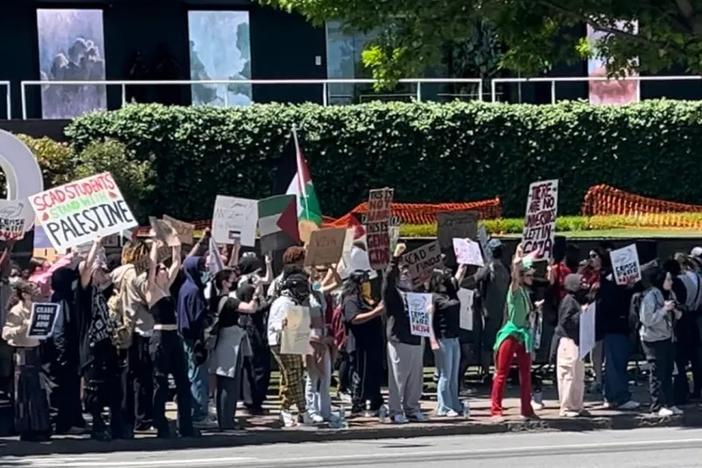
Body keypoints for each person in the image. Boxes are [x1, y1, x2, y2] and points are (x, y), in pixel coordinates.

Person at [77, 238, 130, 441]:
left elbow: (116, 275)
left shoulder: (106, 291)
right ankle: (97, 425)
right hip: (91, 347)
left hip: (108, 344)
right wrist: (96, 245)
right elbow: (86, 268)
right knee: (94, 390)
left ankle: (117, 424)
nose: (102, 270)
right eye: (99, 269)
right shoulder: (84, 293)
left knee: (114, 387)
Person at [146, 237, 198, 438]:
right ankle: (160, 424)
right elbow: (151, 268)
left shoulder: (167, 289)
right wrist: (154, 246)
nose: (165, 271)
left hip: (173, 337)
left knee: (183, 382)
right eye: (162, 270)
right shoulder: (152, 291)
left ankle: (185, 424)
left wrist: (176, 244)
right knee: (160, 382)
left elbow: (177, 263)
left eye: (164, 269)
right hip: (159, 337)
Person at [207, 268, 259, 431]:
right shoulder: (229, 301)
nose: (235, 282)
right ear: (224, 283)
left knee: (223, 383)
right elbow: (251, 308)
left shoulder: (215, 299)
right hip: (230, 343)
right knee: (229, 384)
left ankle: (225, 420)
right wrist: (256, 293)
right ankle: (227, 421)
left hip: (222, 342)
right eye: (232, 279)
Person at [109, 240, 152, 432]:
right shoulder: (139, 273)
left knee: (126, 374)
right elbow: (149, 299)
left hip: (123, 328)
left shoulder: (117, 273)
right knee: (143, 377)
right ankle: (142, 417)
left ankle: (125, 415)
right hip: (143, 326)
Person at [490, 245, 536, 419]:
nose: (532, 277)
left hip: (523, 334)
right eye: (529, 275)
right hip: (510, 334)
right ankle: (496, 409)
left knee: (526, 373)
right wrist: (517, 259)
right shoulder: (514, 290)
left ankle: (526, 408)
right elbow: (514, 276)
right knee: (502, 372)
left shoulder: (525, 293)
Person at [2, 281, 51, 441]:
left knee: (38, 391)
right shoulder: (17, 311)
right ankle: (26, 428)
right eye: (32, 291)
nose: (36, 292)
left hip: (35, 352)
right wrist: (23, 326)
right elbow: (6, 333)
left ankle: (41, 426)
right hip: (22, 353)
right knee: (24, 392)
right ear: (24, 294)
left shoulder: (36, 309)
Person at [383, 243, 426, 423]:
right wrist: (395, 258)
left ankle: (412, 407)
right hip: (399, 338)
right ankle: (395, 410)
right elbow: (387, 279)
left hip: (416, 337)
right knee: (398, 377)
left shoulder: (416, 292)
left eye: (409, 270)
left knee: (415, 378)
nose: (407, 273)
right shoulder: (393, 292)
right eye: (403, 270)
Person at [268, 268, 314, 427]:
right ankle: (301, 411)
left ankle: (289, 409)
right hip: (282, 340)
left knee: (293, 377)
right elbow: (278, 324)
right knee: (293, 376)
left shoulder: (292, 302)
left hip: (290, 339)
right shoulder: (284, 303)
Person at [596, 251, 640, 410]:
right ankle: (620, 397)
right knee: (617, 364)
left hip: (614, 327)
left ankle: (611, 395)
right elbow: (613, 303)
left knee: (613, 364)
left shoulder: (607, 281)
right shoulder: (611, 284)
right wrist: (626, 289)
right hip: (616, 327)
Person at [49, 262, 86, 434]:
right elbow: (60, 328)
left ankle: (73, 420)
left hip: (64, 352)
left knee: (69, 387)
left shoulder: (59, 297)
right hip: (65, 354)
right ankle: (66, 422)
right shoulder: (62, 300)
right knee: (67, 388)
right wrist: (63, 353)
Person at [342, 269, 385, 415]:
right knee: (360, 374)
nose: (367, 283)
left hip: (373, 343)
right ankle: (358, 403)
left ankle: (375, 402)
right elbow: (353, 318)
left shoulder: (367, 299)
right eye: (364, 281)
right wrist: (375, 313)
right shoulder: (351, 299)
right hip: (359, 344)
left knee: (373, 373)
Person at [640, 268, 681, 417]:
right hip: (653, 338)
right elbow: (647, 319)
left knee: (668, 370)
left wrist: (676, 311)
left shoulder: (670, 294)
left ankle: (670, 402)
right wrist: (664, 309)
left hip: (667, 336)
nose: (671, 282)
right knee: (657, 371)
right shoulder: (650, 296)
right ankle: (657, 405)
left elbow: (678, 313)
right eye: (668, 279)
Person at [237, 250, 274, 415]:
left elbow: (267, 280)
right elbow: (256, 310)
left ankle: (252, 400)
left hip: (250, 327)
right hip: (252, 328)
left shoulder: (246, 283)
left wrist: (268, 264)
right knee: (257, 365)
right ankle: (253, 401)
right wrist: (271, 300)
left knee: (253, 365)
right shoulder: (247, 287)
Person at [177, 253, 211, 424]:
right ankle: (199, 413)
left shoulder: (185, 287)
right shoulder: (194, 291)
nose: (204, 270)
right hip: (195, 339)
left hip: (186, 337)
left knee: (191, 374)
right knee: (197, 376)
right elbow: (197, 317)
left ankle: (193, 410)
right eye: (201, 267)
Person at [305, 265, 340, 423]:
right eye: (315, 273)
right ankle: (311, 410)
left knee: (326, 375)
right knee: (313, 376)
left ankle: (325, 410)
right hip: (311, 336)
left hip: (323, 334)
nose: (317, 276)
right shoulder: (305, 297)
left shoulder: (319, 293)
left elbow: (338, 281)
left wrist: (332, 267)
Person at [471, 239, 509, 382]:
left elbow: (475, 278)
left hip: (491, 312)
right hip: (495, 312)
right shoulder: (501, 268)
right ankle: (490, 370)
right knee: (493, 343)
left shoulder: (490, 267)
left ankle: (488, 371)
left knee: (490, 343)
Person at [431, 265, 466, 417]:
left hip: (454, 337)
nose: (450, 279)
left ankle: (454, 404)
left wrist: (463, 262)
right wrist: (432, 340)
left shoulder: (452, 292)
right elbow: (429, 320)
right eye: (446, 277)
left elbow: (460, 273)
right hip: (443, 338)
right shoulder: (434, 297)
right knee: (445, 374)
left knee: (453, 374)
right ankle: (443, 407)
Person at [555, 274, 587, 417]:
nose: (584, 285)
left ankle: (577, 405)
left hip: (577, 341)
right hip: (569, 341)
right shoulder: (569, 301)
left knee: (578, 375)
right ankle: (566, 407)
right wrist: (581, 314)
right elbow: (565, 322)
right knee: (568, 374)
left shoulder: (575, 300)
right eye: (581, 282)